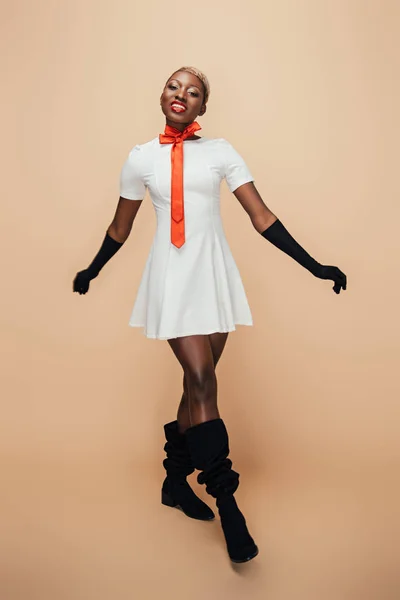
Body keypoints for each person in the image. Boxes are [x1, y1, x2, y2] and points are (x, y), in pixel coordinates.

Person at [73, 66, 347, 563]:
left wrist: (315, 266)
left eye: (193, 91)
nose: (182, 94)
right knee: (201, 379)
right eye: (174, 86)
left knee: (195, 386)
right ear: (162, 96)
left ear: (203, 107)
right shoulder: (140, 159)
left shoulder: (221, 152)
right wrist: (92, 270)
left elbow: (261, 216)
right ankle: (228, 503)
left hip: (213, 276)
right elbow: (120, 226)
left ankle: (174, 482)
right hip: (173, 279)